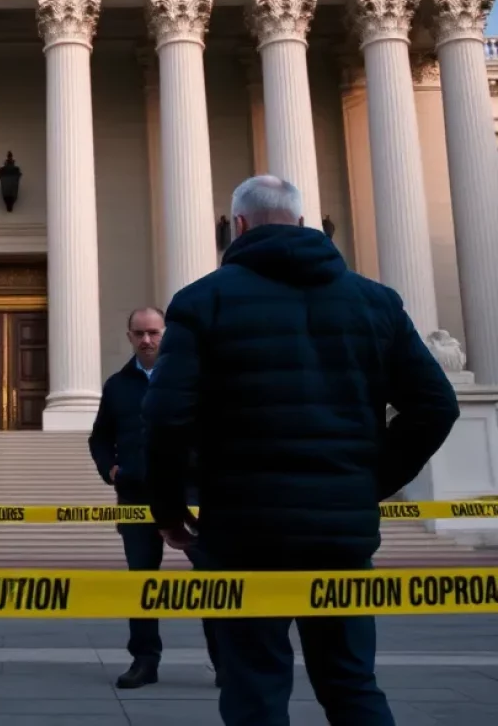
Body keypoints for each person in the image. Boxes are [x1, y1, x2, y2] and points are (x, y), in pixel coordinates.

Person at [141, 175, 459, 726]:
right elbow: (436, 406)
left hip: (242, 530)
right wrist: (367, 482)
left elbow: (165, 416)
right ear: (305, 223)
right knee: (353, 684)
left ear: (237, 225)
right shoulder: (376, 302)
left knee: (255, 691)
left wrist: (168, 512)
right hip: (340, 532)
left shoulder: (201, 302)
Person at [89, 306, 220, 689]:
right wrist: (110, 468)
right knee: (142, 583)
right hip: (136, 499)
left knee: (211, 581)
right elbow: (99, 436)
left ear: (166, 334)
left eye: (154, 332)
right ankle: (144, 661)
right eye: (139, 333)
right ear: (129, 337)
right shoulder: (117, 385)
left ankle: (225, 662)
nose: (147, 340)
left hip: (192, 497)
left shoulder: (193, 380)